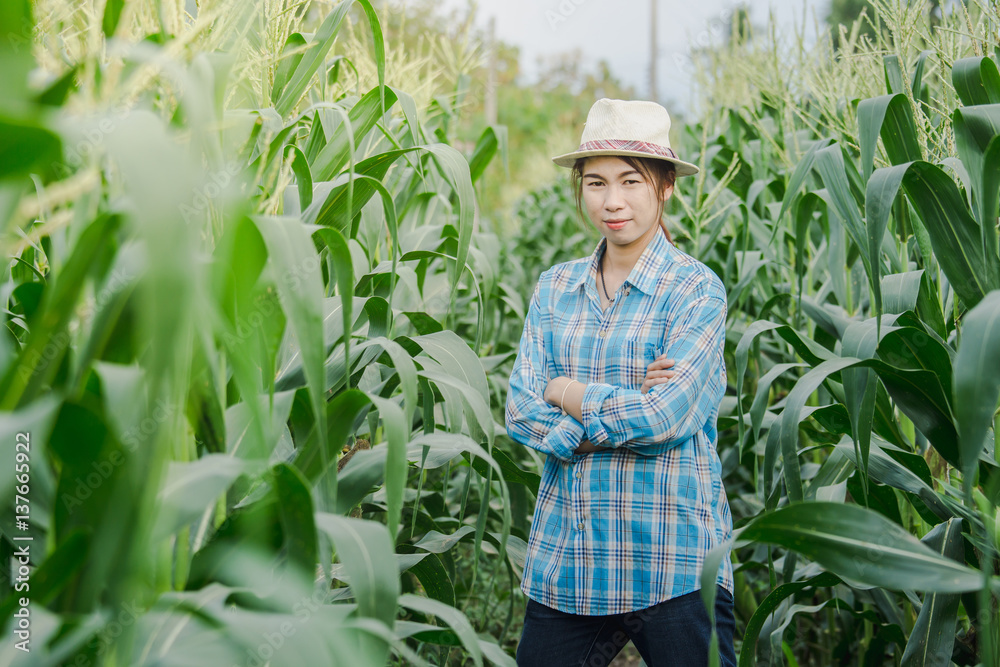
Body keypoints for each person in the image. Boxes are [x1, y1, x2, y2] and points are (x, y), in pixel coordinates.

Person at [505, 98, 737, 667]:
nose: (612, 201)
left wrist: (567, 393)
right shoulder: (555, 288)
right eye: (596, 182)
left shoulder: (695, 291)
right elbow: (519, 409)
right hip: (573, 557)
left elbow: (665, 417)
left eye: (631, 181)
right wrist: (626, 404)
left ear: (664, 187)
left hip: (674, 558)